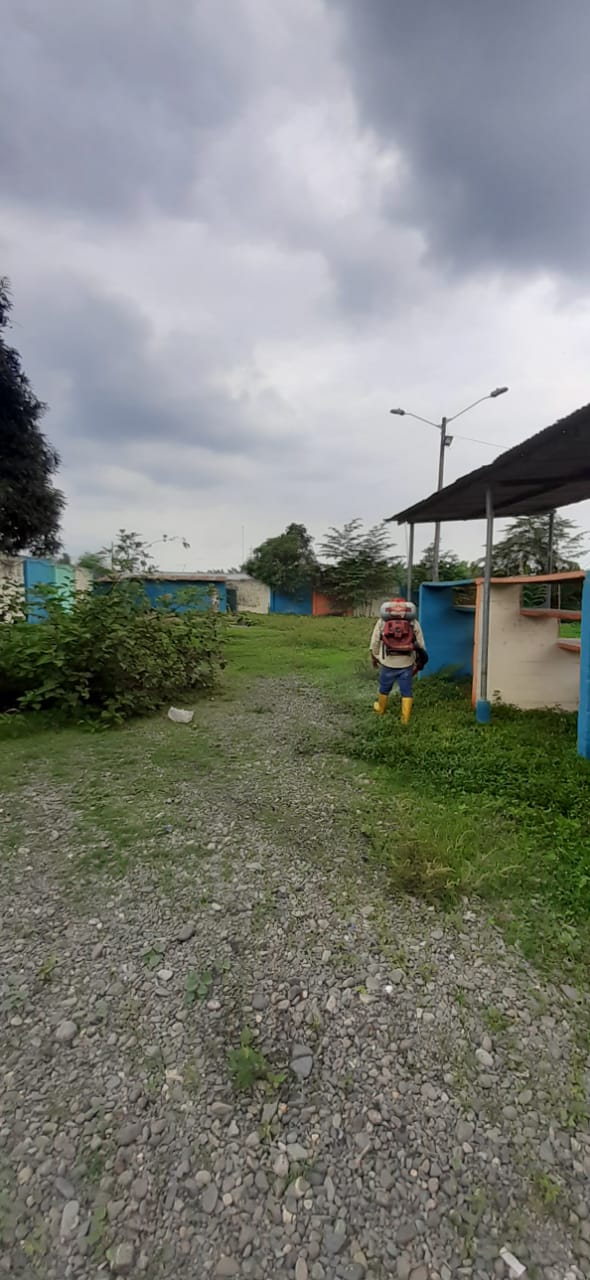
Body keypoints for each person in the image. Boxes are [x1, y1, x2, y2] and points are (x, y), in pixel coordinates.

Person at [369, 598, 428, 723]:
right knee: (406, 690)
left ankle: (380, 709)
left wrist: (376, 657)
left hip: (387, 663)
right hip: (406, 664)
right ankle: (405, 719)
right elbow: (421, 645)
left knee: (384, 688)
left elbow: (374, 643)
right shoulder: (413, 622)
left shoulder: (382, 622)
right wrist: (418, 662)